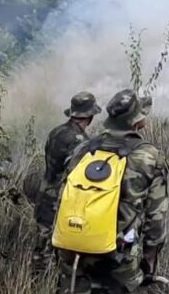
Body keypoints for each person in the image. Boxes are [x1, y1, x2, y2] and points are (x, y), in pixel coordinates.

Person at [56, 89, 169, 293]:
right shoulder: (149, 157)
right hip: (119, 259)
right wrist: (149, 265)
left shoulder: (82, 149)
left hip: (74, 253)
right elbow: (156, 221)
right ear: (136, 121)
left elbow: (62, 197)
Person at [34, 91, 102, 264]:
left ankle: (37, 283)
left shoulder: (56, 132)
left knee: (42, 247)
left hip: (44, 195)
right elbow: (77, 177)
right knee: (59, 254)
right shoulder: (81, 142)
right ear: (90, 116)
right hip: (61, 201)